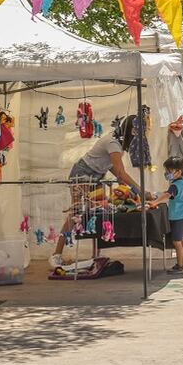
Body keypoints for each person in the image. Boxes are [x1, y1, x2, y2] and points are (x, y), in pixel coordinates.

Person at [50, 114, 149, 268]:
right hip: (82, 174)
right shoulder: (113, 143)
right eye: (140, 131)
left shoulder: (119, 144)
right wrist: (141, 190)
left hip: (96, 176)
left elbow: (116, 171)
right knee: (76, 214)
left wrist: (131, 191)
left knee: (96, 212)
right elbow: (121, 173)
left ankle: (95, 255)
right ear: (133, 131)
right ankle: (56, 254)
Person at [146, 157, 183, 273]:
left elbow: (167, 195)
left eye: (169, 172)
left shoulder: (174, 185)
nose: (167, 174)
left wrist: (155, 202)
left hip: (178, 216)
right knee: (182, 239)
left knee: (176, 241)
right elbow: (168, 194)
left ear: (178, 171)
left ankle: (180, 266)